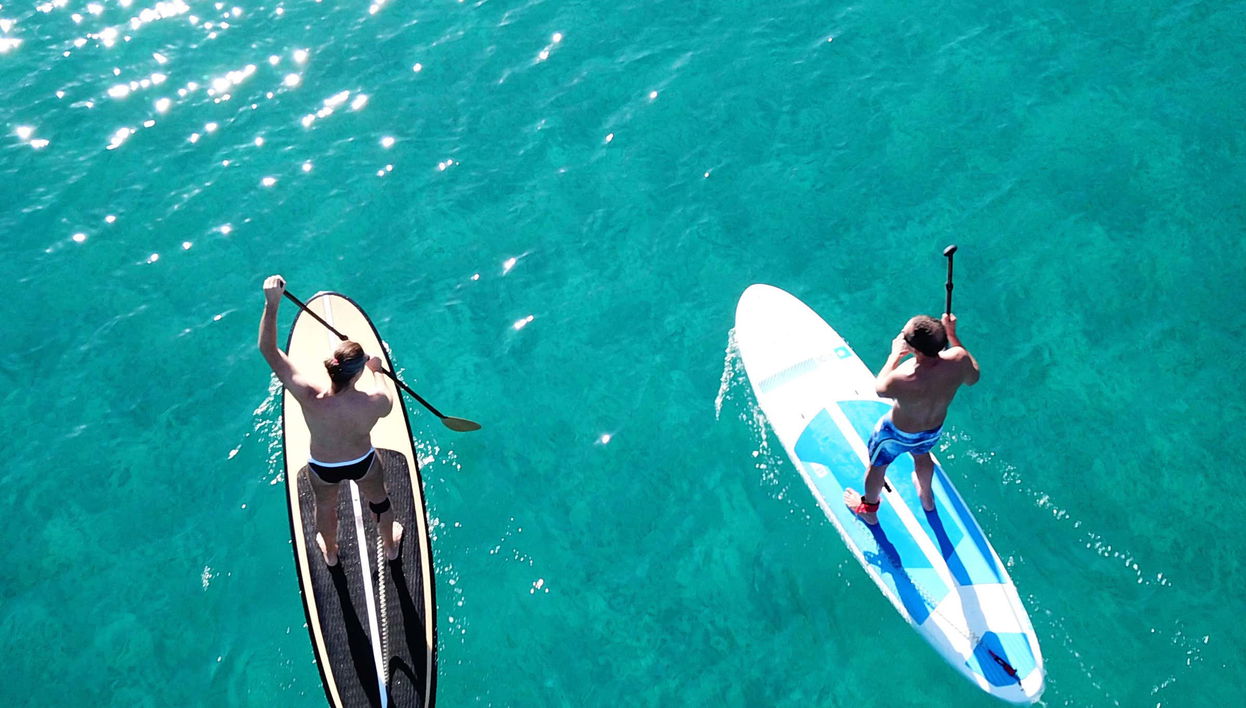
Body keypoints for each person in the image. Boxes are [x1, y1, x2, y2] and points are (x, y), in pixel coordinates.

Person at [258, 275, 403, 565]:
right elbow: (386, 397)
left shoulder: (309, 395)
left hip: (323, 466)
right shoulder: (375, 402)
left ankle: (332, 554)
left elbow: (268, 350)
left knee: (325, 508)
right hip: (362, 462)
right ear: (358, 373)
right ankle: (390, 546)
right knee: (380, 501)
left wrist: (271, 305)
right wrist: (376, 370)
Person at [844, 313, 980, 525]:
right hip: (932, 430)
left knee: (877, 466)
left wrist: (894, 356)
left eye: (904, 337)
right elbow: (973, 378)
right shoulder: (959, 359)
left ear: (914, 350)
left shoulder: (904, 375)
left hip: (895, 435)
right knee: (922, 455)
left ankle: (869, 510)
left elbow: (880, 389)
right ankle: (927, 498)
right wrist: (953, 335)